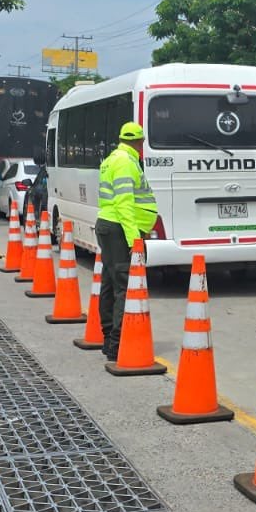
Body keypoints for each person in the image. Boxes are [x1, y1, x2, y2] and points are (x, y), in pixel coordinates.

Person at [94, 121, 157, 361]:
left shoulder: (113, 158)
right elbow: (124, 203)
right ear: (139, 142)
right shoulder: (125, 162)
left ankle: (109, 337)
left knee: (110, 283)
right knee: (125, 286)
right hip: (121, 229)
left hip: (111, 227)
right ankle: (117, 343)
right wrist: (133, 240)